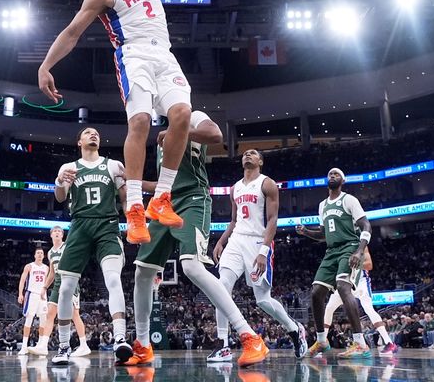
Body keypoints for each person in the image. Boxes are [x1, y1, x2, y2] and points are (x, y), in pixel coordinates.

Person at [38, 0, 193, 244]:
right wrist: (46, 65)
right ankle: (135, 209)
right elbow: (71, 33)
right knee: (140, 121)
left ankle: (161, 198)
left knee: (182, 116)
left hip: (164, 54)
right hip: (132, 56)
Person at [125, 111, 269, 368]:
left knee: (191, 266)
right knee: (142, 273)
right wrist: (131, 181)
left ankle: (250, 336)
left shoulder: (192, 116)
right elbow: (163, 181)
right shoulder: (164, 134)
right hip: (164, 200)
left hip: (193, 199)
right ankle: (143, 345)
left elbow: (215, 135)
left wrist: (177, 133)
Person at [212, 149, 307, 360]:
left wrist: (264, 250)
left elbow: (273, 219)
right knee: (221, 287)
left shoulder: (267, 183)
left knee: (262, 300)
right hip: (236, 241)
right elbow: (234, 220)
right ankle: (223, 344)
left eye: (253, 153)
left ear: (260, 161)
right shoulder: (235, 188)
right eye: (245, 153)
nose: (247, 155)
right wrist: (221, 241)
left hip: (257, 243)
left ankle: (294, 329)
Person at [51, 127, 131, 365]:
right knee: (65, 288)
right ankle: (64, 346)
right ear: (79, 142)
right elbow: (60, 197)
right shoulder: (68, 168)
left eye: (96, 133)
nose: (93, 134)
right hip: (79, 226)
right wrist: (58, 181)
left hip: (107, 225)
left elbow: (125, 198)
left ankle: (119, 339)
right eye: (87, 132)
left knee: (113, 279)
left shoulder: (114, 165)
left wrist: (134, 222)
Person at [297, 168, 372, 358]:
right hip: (331, 251)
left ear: (343, 181)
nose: (332, 176)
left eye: (336, 174)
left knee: (343, 287)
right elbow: (323, 234)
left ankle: (360, 343)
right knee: (316, 292)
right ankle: (322, 341)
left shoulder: (349, 200)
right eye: (330, 174)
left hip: (350, 247)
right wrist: (306, 232)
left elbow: (366, 225)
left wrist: (359, 250)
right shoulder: (322, 205)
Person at [294, 236, 396, 357]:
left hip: (361, 280)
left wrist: (351, 263)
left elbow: (369, 265)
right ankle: (321, 342)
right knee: (329, 307)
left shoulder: (360, 244)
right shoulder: (338, 246)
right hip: (345, 281)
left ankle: (389, 342)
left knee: (369, 309)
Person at [28, 226, 88, 357]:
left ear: (62, 235)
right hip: (57, 284)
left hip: (70, 282)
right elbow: (52, 272)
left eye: (59, 231)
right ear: (51, 235)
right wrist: (44, 287)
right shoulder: (49, 253)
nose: (56, 233)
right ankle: (43, 345)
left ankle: (84, 345)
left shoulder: (67, 246)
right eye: (54, 231)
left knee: (74, 315)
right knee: (50, 314)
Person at [17, 248, 49, 355]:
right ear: (34, 255)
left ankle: (40, 345)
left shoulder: (46, 268)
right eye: (38, 253)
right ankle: (24, 346)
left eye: (41, 253)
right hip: (32, 294)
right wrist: (20, 293)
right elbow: (22, 280)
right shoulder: (29, 266)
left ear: (44, 256)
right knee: (29, 319)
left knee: (43, 320)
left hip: (43, 296)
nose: (40, 255)